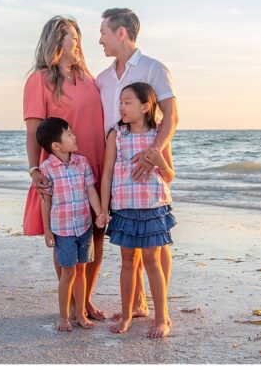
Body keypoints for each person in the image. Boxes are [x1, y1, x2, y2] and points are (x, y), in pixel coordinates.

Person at [96, 8, 179, 322]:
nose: (99, 39)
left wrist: (153, 152)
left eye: (103, 32)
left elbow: (171, 117)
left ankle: (161, 310)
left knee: (155, 248)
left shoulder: (153, 68)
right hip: (117, 164)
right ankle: (137, 305)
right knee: (130, 252)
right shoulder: (102, 79)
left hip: (148, 161)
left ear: (121, 33)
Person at [23, 15, 108, 321]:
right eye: (72, 36)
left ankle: (84, 300)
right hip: (60, 172)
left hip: (94, 166)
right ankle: (70, 303)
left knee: (96, 233)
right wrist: (35, 171)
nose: (78, 42)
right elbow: (34, 132)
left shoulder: (87, 76)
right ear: (56, 42)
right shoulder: (39, 80)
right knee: (65, 238)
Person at [100, 82, 176, 338]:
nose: (122, 107)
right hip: (125, 208)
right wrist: (103, 207)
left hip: (153, 208)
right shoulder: (116, 135)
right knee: (128, 263)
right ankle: (128, 314)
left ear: (145, 107)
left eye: (128, 102)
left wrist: (160, 161)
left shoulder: (158, 138)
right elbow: (108, 171)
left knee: (153, 262)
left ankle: (162, 317)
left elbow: (169, 175)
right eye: (120, 102)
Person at [36, 117, 105, 332]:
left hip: (84, 226)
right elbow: (46, 202)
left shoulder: (81, 162)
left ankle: (81, 314)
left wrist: (99, 213)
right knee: (68, 274)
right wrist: (47, 230)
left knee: (81, 271)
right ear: (56, 146)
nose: (74, 137)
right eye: (69, 134)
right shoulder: (46, 168)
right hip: (63, 230)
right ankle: (64, 316)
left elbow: (91, 190)